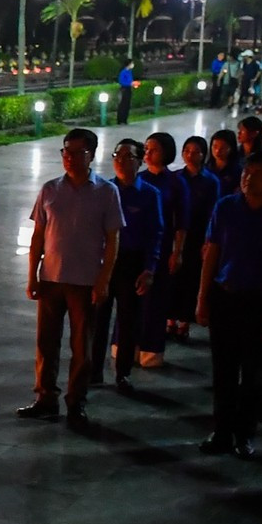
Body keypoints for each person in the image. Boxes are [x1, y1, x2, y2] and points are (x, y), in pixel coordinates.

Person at [197, 150, 262, 458]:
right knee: (223, 371)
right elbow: (212, 253)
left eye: (256, 174)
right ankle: (221, 430)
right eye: (245, 172)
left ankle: (245, 433)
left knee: (253, 372)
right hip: (225, 297)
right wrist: (202, 297)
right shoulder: (227, 207)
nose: (248, 179)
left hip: (260, 302)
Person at [20, 129, 123, 430]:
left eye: (78, 152)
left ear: (92, 155)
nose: (70, 158)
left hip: (85, 281)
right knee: (46, 343)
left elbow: (113, 240)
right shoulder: (50, 189)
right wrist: (32, 275)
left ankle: (76, 401)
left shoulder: (106, 192)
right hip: (51, 278)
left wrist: (103, 280)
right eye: (66, 151)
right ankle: (45, 397)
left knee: (82, 346)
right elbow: (38, 236)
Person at [91, 139, 162, 393]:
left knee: (128, 319)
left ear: (140, 161)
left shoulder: (150, 194)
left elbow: (155, 233)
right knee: (98, 318)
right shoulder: (104, 190)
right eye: (117, 156)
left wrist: (149, 268)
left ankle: (122, 373)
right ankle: (94, 370)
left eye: (128, 157)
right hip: (105, 262)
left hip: (132, 261)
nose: (121, 161)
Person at [135, 131, 189, 366]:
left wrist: (177, 252)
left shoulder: (175, 182)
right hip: (137, 246)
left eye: (153, 149)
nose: (147, 153)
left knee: (156, 301)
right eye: (146, 148)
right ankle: (128, 346)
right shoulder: (138, 178)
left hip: (162, 247)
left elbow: (182, 221)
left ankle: (151, 349)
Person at [169, 135, 222, 341]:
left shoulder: (211, 181)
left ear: (203, 155)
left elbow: (213, 213)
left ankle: (184, 321)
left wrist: (208, 240)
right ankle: (170, 320)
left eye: (196, 152)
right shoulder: (176, 178)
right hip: (177, 234)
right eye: (187, 151)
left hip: (198, 235)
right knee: (174, 277)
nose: (190, 155)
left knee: (191, 279)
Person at [116, 59, 135, 125]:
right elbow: (121, 81)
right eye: (132, 63)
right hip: (124, 89)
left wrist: (133, 84)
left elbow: (130, 80)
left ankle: (125, 119)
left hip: (129, 89)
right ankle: (120, 120)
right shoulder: (123, 72)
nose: (133, 65)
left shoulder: (130, 72)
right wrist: (130, 83)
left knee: (127, 104)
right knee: (122, 104)